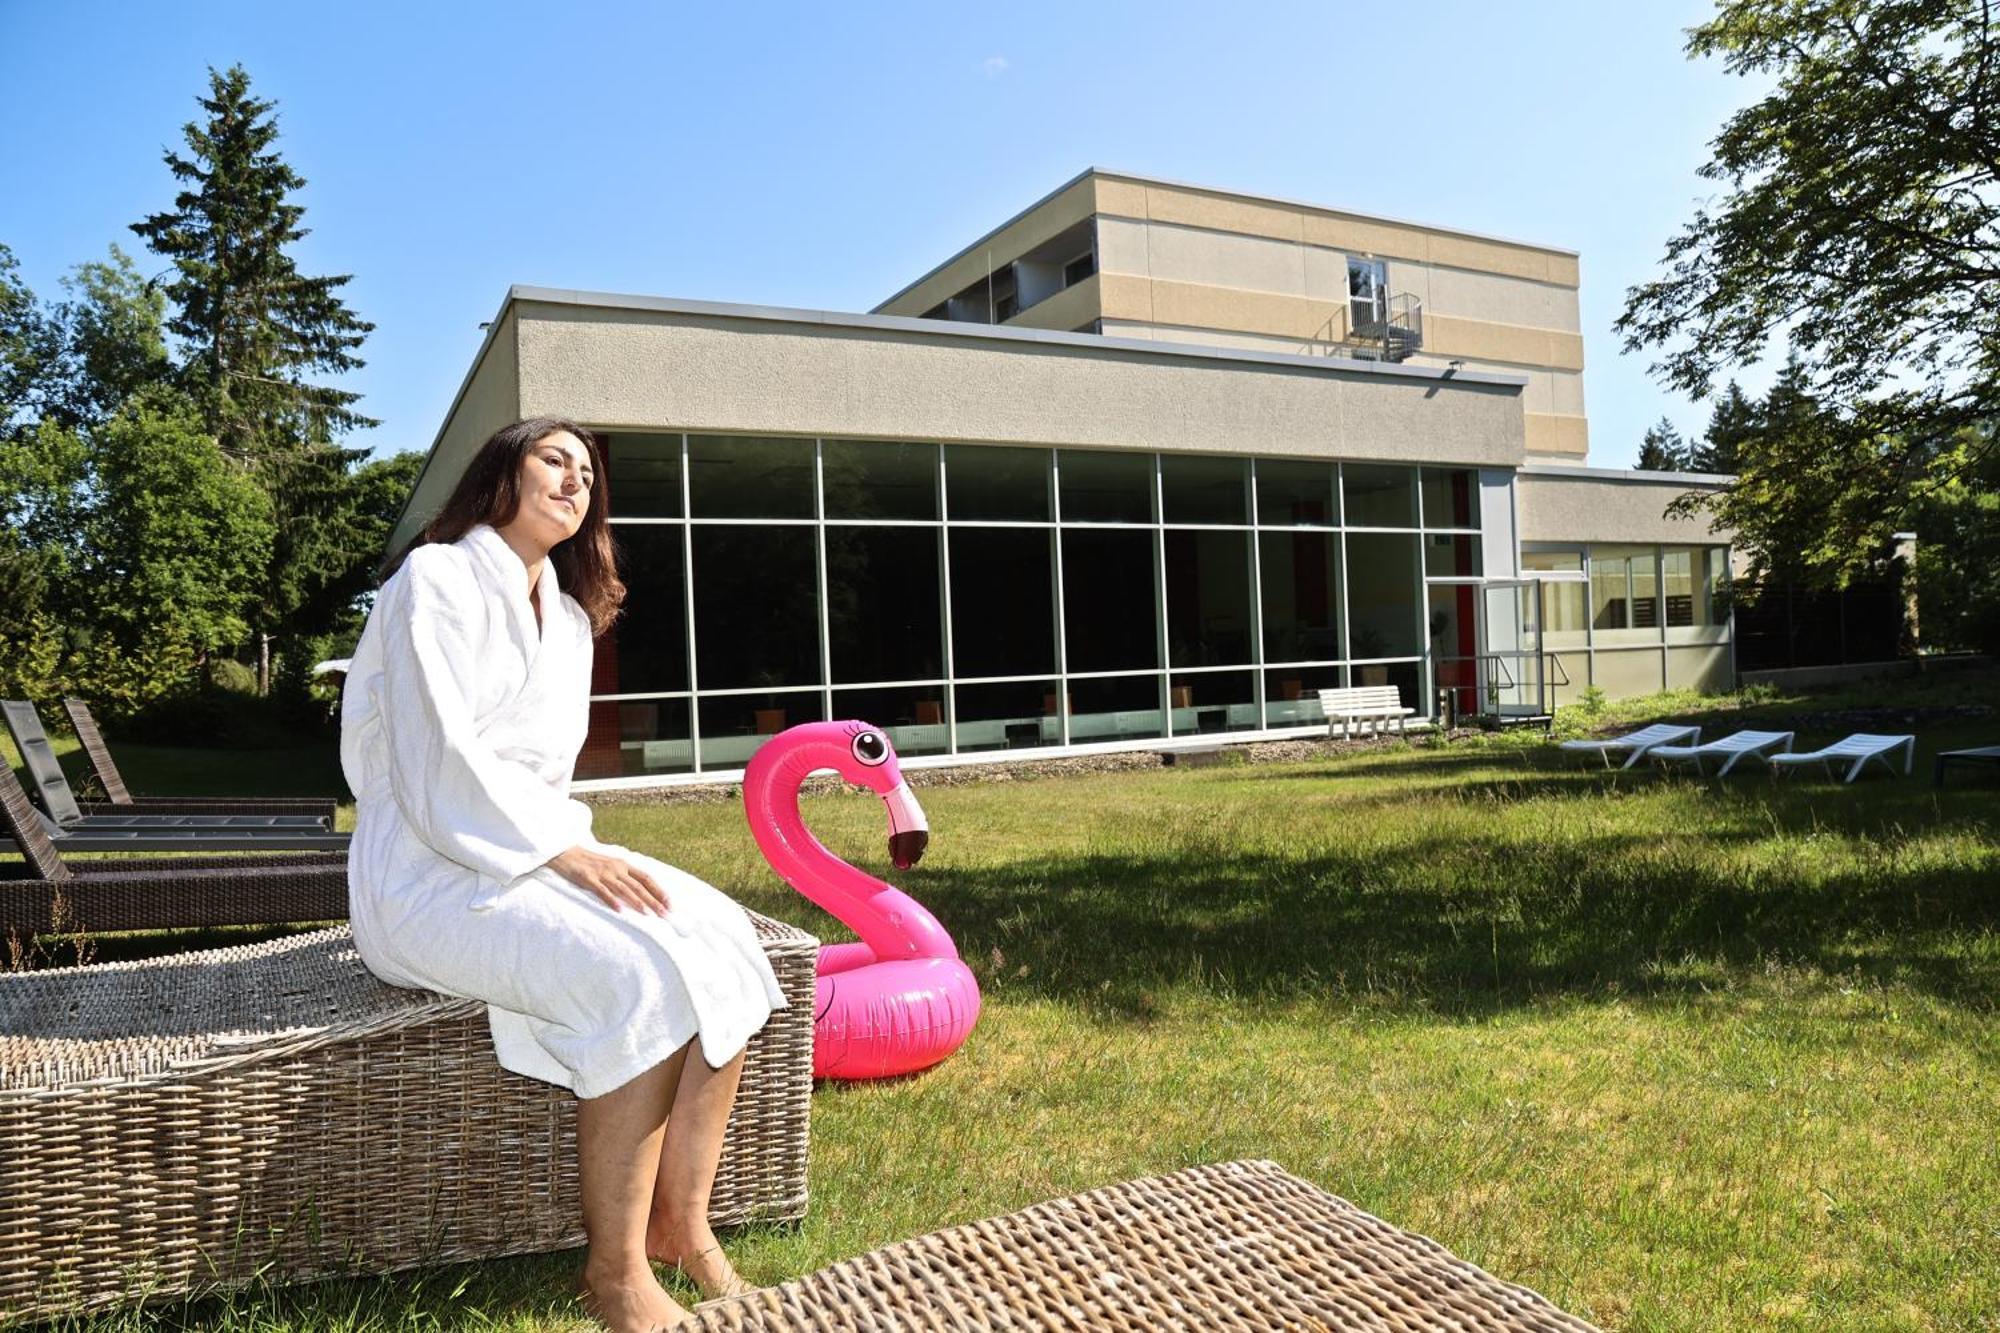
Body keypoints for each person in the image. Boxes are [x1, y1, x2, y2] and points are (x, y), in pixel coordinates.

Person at [341, 416, 785, 1332]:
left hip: (534, 849)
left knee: (728, 941)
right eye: (555, 458)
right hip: (428, 876)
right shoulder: (437, 579)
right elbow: (437, 760)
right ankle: (615, 1273)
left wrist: (567, 856)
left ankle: (678, 1220)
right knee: (636, 974)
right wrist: (563, 854)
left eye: (588, 470)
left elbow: (539, 776)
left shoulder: (573, 617)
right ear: (501, 472)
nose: (576, 478)